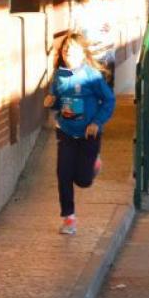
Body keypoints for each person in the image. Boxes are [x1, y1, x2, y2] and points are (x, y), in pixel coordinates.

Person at [44, 33, 116, 235]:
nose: (69, 53)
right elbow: (58, 101)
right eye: (66, 50)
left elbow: (109, 101)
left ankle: (94, 164)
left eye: (74, 50)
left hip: (88, 134)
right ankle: (69, 218)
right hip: (66, 132)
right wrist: (52, 102)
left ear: (83, 53)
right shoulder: (59, 76)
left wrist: (96, 122)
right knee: (63, 174)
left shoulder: (91, 76)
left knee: (83, 180)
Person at [71, 0, 117, 89]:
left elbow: (113, 26)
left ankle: (107, 106)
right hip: (87, 54)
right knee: (89, 86)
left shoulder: (105, 6)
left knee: (106, 85)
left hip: (105, 53)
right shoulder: (77, 9)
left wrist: (110, 27)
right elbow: (73, 31)